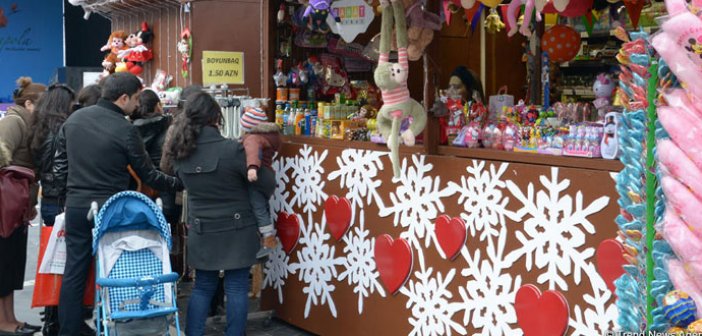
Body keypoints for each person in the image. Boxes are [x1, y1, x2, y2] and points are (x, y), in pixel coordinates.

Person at [53, 72, 181, 335]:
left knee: (74, 271)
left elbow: (59, 169)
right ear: (123, 98)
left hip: (78, 206)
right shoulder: (125, 129)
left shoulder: (74, 120)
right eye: (135, 98)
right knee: (115, 267)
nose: (136, 104)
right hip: (112, 210)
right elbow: (148, 174)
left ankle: (69, 329)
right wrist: (181, 183)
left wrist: (68, 196)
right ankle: (113, 323)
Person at [163, 92, 276, 336]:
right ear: (216, 117)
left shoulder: (180, 153)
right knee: (235, 286)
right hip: (237, 227)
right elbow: (265, 183)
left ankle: (193, 333)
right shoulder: (231, 150)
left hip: (201, 228)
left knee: (202, 285)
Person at [0, 77, 46, 336]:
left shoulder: (26, 124)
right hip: (5, 206)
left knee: (12, 264)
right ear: (28, 103)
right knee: (3, 263)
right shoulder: (14, 122)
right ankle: (2, 321)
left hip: (17, 207)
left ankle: (10, 318)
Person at [239, 107, 281, 259]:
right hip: (268, 176)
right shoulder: (269, 136)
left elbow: (252, 153)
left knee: (257, 206)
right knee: (262, 206)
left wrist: (252, 168)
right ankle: (266, 235)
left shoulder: (253, 139)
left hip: (259, 176)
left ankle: (268, 240)